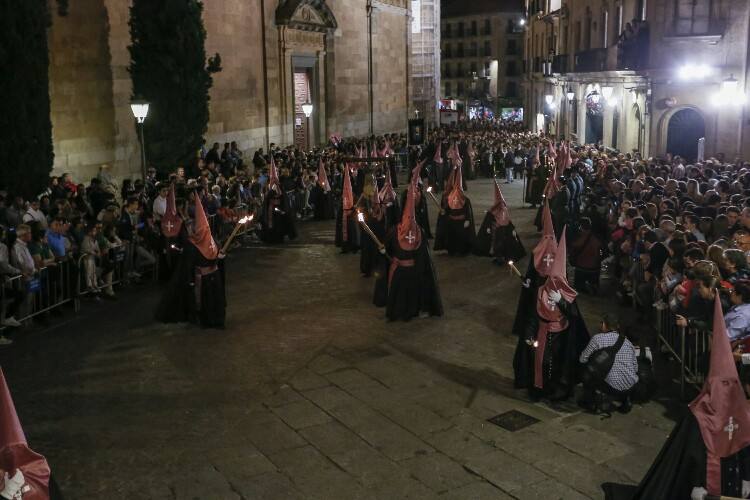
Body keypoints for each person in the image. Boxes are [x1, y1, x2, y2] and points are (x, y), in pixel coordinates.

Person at [603, 296, 750, 500]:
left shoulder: (740, 414)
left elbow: (743, 446)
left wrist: (746, 478)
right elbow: (689, 455)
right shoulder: (700, 414)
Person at [515, 226, 589, 401]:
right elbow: (534, 315)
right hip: (542, 333)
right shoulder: (541, 291)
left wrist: (561, 301)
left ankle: (558, 391)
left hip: (561, 337)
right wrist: (528, 334)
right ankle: (539, 390)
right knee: (540, 363)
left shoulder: (567, 293)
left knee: (558, 366)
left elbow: (573, 315)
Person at [374, 164, 442, 321]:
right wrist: (383, 251)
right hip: (398, 271)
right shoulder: (395, 231)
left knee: (412, 295)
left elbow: (423, 256)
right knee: (398, 296)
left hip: (413, 272)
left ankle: (412, 311)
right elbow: (387, 249)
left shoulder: (419, 234)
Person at [155, 198, 226, 329]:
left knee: (214, 301)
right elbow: (189, 264)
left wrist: (220, 257)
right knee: (203, 302)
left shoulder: (211, 239)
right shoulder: (192, 244)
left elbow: (215, 254)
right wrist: (190, 280)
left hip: (213, 277)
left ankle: (216, 318)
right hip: (202, 280)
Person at [578, 314, 639, 414]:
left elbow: (582, 359)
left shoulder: (597, 339)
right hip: (631, 385)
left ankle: (591, 402)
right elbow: (635, 368)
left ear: (604, 325)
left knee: (587, 371)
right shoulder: (627, 342)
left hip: (611, 387)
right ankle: (625, 400)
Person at [473, 180, 526, 264]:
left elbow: (496, 217)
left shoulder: (500, 209)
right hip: (503, 229)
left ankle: (500, 258)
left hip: (500, 230)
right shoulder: (503, 207)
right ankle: (501, 257)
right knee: (500, 243)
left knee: (499, 244)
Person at [433, 162, 476, 256]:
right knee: (452, 236)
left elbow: (468, 211)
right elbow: (446, 209)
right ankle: (452, 250)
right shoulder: (449, 198)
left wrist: (467, 220)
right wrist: (443, 211)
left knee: (461, 237)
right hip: (452, 221)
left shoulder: (465, 200)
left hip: (462, 221)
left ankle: (462, 251)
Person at [335, 163, 360, 253]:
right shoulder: (343, 195)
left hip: (351, 214)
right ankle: (345, 247)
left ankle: (354, 246)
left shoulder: (353, 193)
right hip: (344, 214)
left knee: (353, 231)